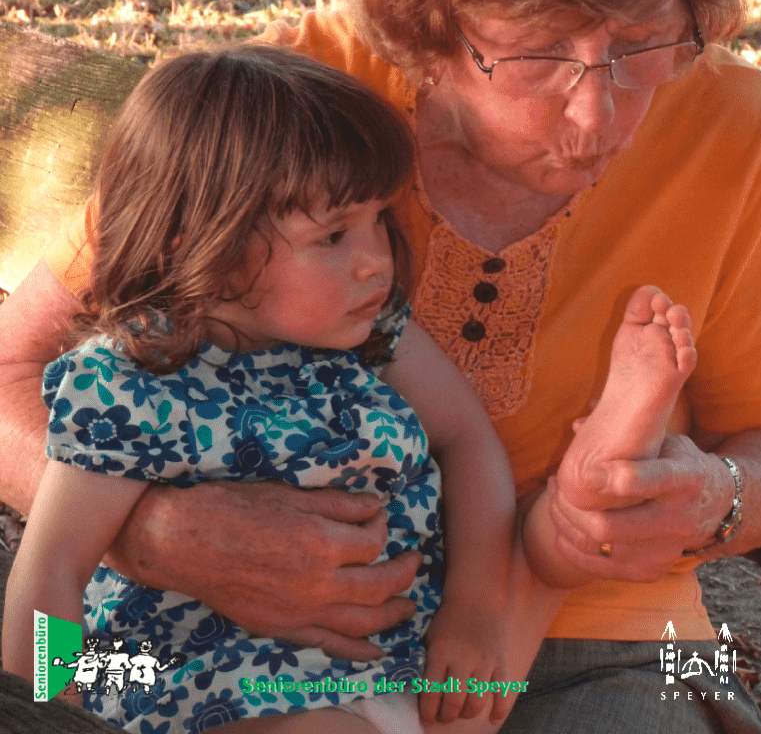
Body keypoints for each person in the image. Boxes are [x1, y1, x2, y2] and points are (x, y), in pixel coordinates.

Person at [0, 0, 761, 734]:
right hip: (204, 643)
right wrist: (156, 532)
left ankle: (576, 512)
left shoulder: (740, 135)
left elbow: (743, 445)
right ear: (430, 24)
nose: (598, 114)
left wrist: (717, 498)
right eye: (536, 53)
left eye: (641, 43)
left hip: (601, 634)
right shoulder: (270, 119)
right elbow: (15, 378)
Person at [3, 49, 524, 733]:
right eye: (333, 236)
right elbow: (51, 571)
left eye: (379, 219)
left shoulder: (373, 334)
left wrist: (475, 608)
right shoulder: (135, 384)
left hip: (381, 664)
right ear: (203, 245)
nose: (376, 260)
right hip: (174, 678)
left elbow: (468, 442)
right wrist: (53, 712)